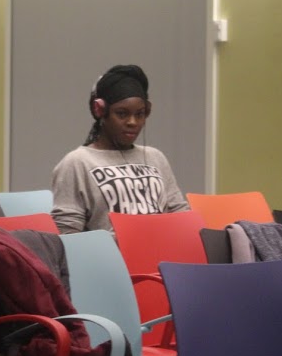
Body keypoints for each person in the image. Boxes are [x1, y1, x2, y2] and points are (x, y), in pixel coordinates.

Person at [51, 64, 188, 234]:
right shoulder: (76, 162)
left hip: (162, 248)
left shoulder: (156, 157)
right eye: (122, 114)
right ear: (100, 111)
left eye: (139, 114)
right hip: (108, 251)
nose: (132, 122)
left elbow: (180, 213)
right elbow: (68, 233)